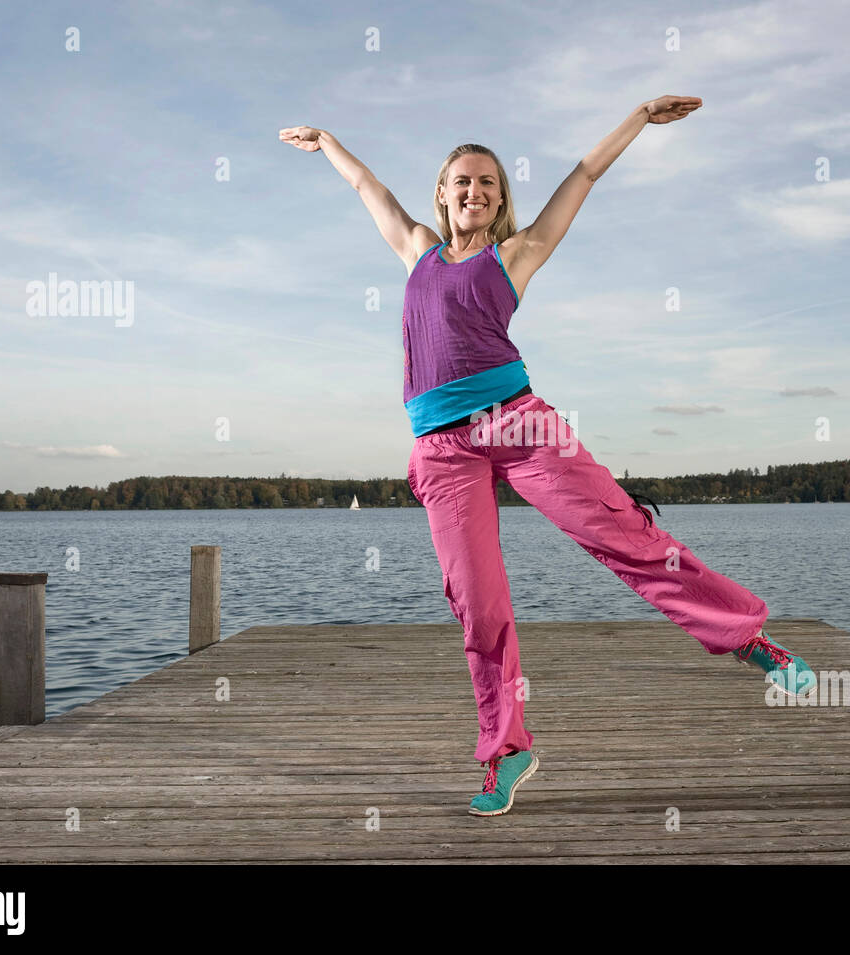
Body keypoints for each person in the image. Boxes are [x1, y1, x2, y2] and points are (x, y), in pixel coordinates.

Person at [280, 96, 816, 816]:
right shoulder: (417, 251)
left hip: (518, 422)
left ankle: (750, 638)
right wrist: (329, 142)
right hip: (441, 450)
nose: (474, 191)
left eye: (489, 183)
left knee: (621, 532)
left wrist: (638, 117)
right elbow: (366, 188)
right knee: (477, 601)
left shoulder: (516, 254)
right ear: (442, 193)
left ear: (501, 200)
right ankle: (508, 749)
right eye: (462, 181)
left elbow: (585, 174)